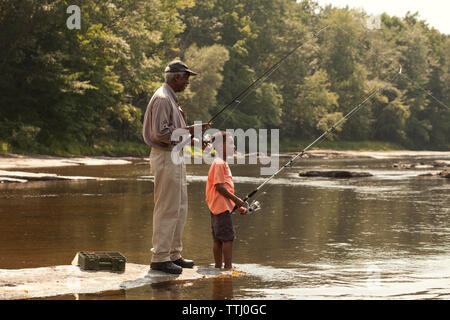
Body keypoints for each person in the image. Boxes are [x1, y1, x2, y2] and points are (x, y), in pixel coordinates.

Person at [142, 60, 209, 274]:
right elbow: (160, 134)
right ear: (176, 77)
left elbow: (175, 132)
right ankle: (160, 258)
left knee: (179, 207)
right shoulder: (162, 99)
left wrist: (195, 137)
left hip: (174, 156)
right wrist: (189, 132)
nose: (188, 82)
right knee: (167, 207)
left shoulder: (171, 98)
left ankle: (173, 254)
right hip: (165, 157)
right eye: (186, 77)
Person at [205, 131, 248, 270]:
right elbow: (219, 187)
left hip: (218, 207)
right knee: (228, 238)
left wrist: (237, 206)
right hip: (221, 208)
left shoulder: (221, 163)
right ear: (219, 145)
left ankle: (218, 266)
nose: (233, 146)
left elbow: (223, 191)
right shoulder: (219, 163)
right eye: (230, 143)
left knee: (218, 238)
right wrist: (237, 200)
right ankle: (227, 267)